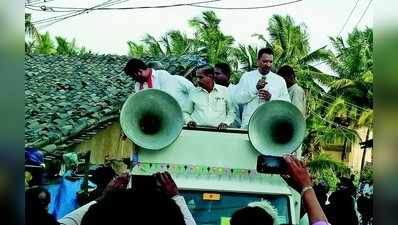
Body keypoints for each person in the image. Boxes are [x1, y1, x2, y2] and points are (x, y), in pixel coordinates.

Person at [234, 48, 290, 129]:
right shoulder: (246, 77)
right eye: (265, 61)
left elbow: (287, 104)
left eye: (271, 62)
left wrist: (271, 98)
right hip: (249, 125)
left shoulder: (279, 80)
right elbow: (238, 99)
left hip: (270, 125)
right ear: (257, 61)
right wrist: (255, 89)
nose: (268, 64)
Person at [123, 58, 194, 107]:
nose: (134, 79)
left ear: (139, 71)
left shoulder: (162, 76)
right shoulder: (138, 86)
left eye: (133, 76)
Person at [183, 65, 235, 129]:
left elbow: (232, 112)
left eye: (200, 77)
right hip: (197, 131)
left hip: (219, 132)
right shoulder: (193, 92)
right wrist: (189, 121)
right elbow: (185, 112)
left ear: (210, 76)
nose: (197, 80)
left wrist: (226, 123)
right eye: (196, 77)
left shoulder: (224, 91)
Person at [214, 62, 242, 128]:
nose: (214, 76)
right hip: (215, 129)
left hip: (234, 129)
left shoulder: (237, 90)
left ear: (227, 75)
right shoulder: (212, 91)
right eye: (214, 73)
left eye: (218, 73)